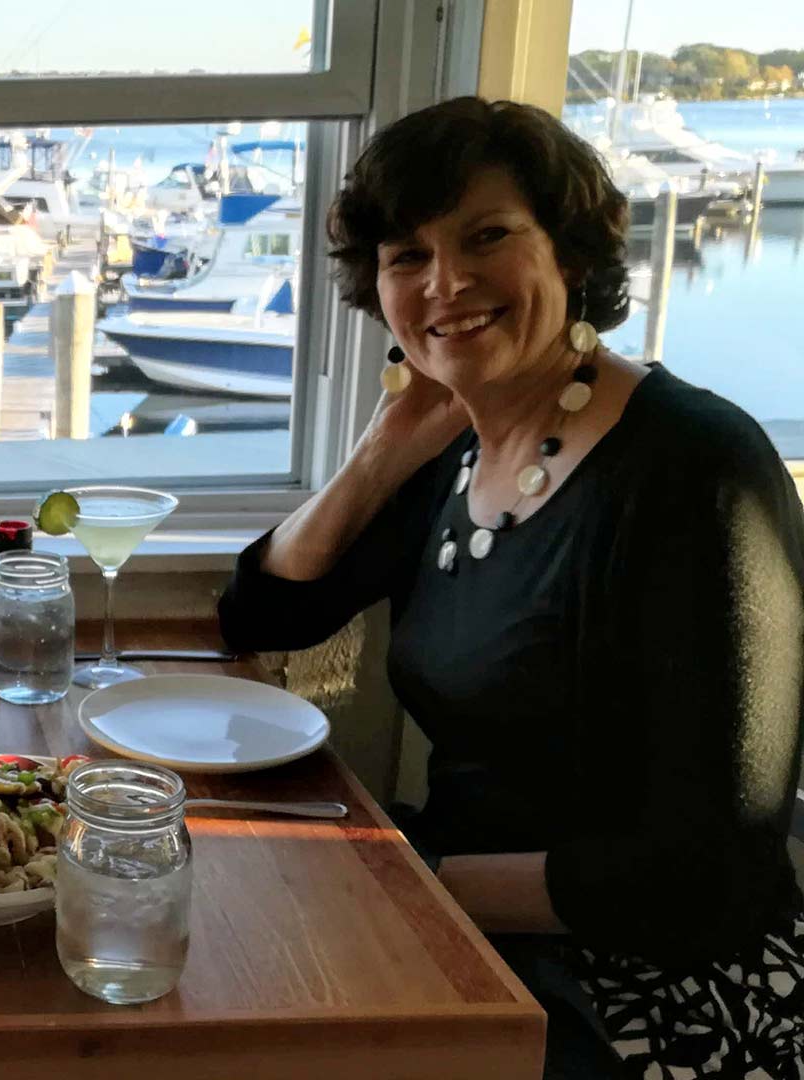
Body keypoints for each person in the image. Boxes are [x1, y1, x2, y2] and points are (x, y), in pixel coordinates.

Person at [219, 97, 804, 1078]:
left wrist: (401, 882)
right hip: (462, 921)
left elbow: (703, 873)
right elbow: (264, 616)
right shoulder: (460, 451)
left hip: (646, 993)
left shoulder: (693, 469)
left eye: (487, 236)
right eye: (408, 255)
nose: (445, 283)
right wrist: (379, 454)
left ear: (571, 255)